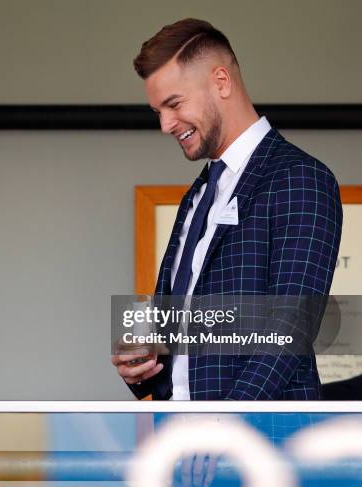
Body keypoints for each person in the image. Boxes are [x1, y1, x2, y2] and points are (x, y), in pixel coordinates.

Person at [112, 19, 342, 400]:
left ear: (221, 81)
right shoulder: (197, 195)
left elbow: (289, 332)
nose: (166, 124)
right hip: (183, 440)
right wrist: (143, 368)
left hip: (258, 447)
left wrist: (220, 430)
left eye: (174, 104)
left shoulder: (300, 178)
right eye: (158, 111)